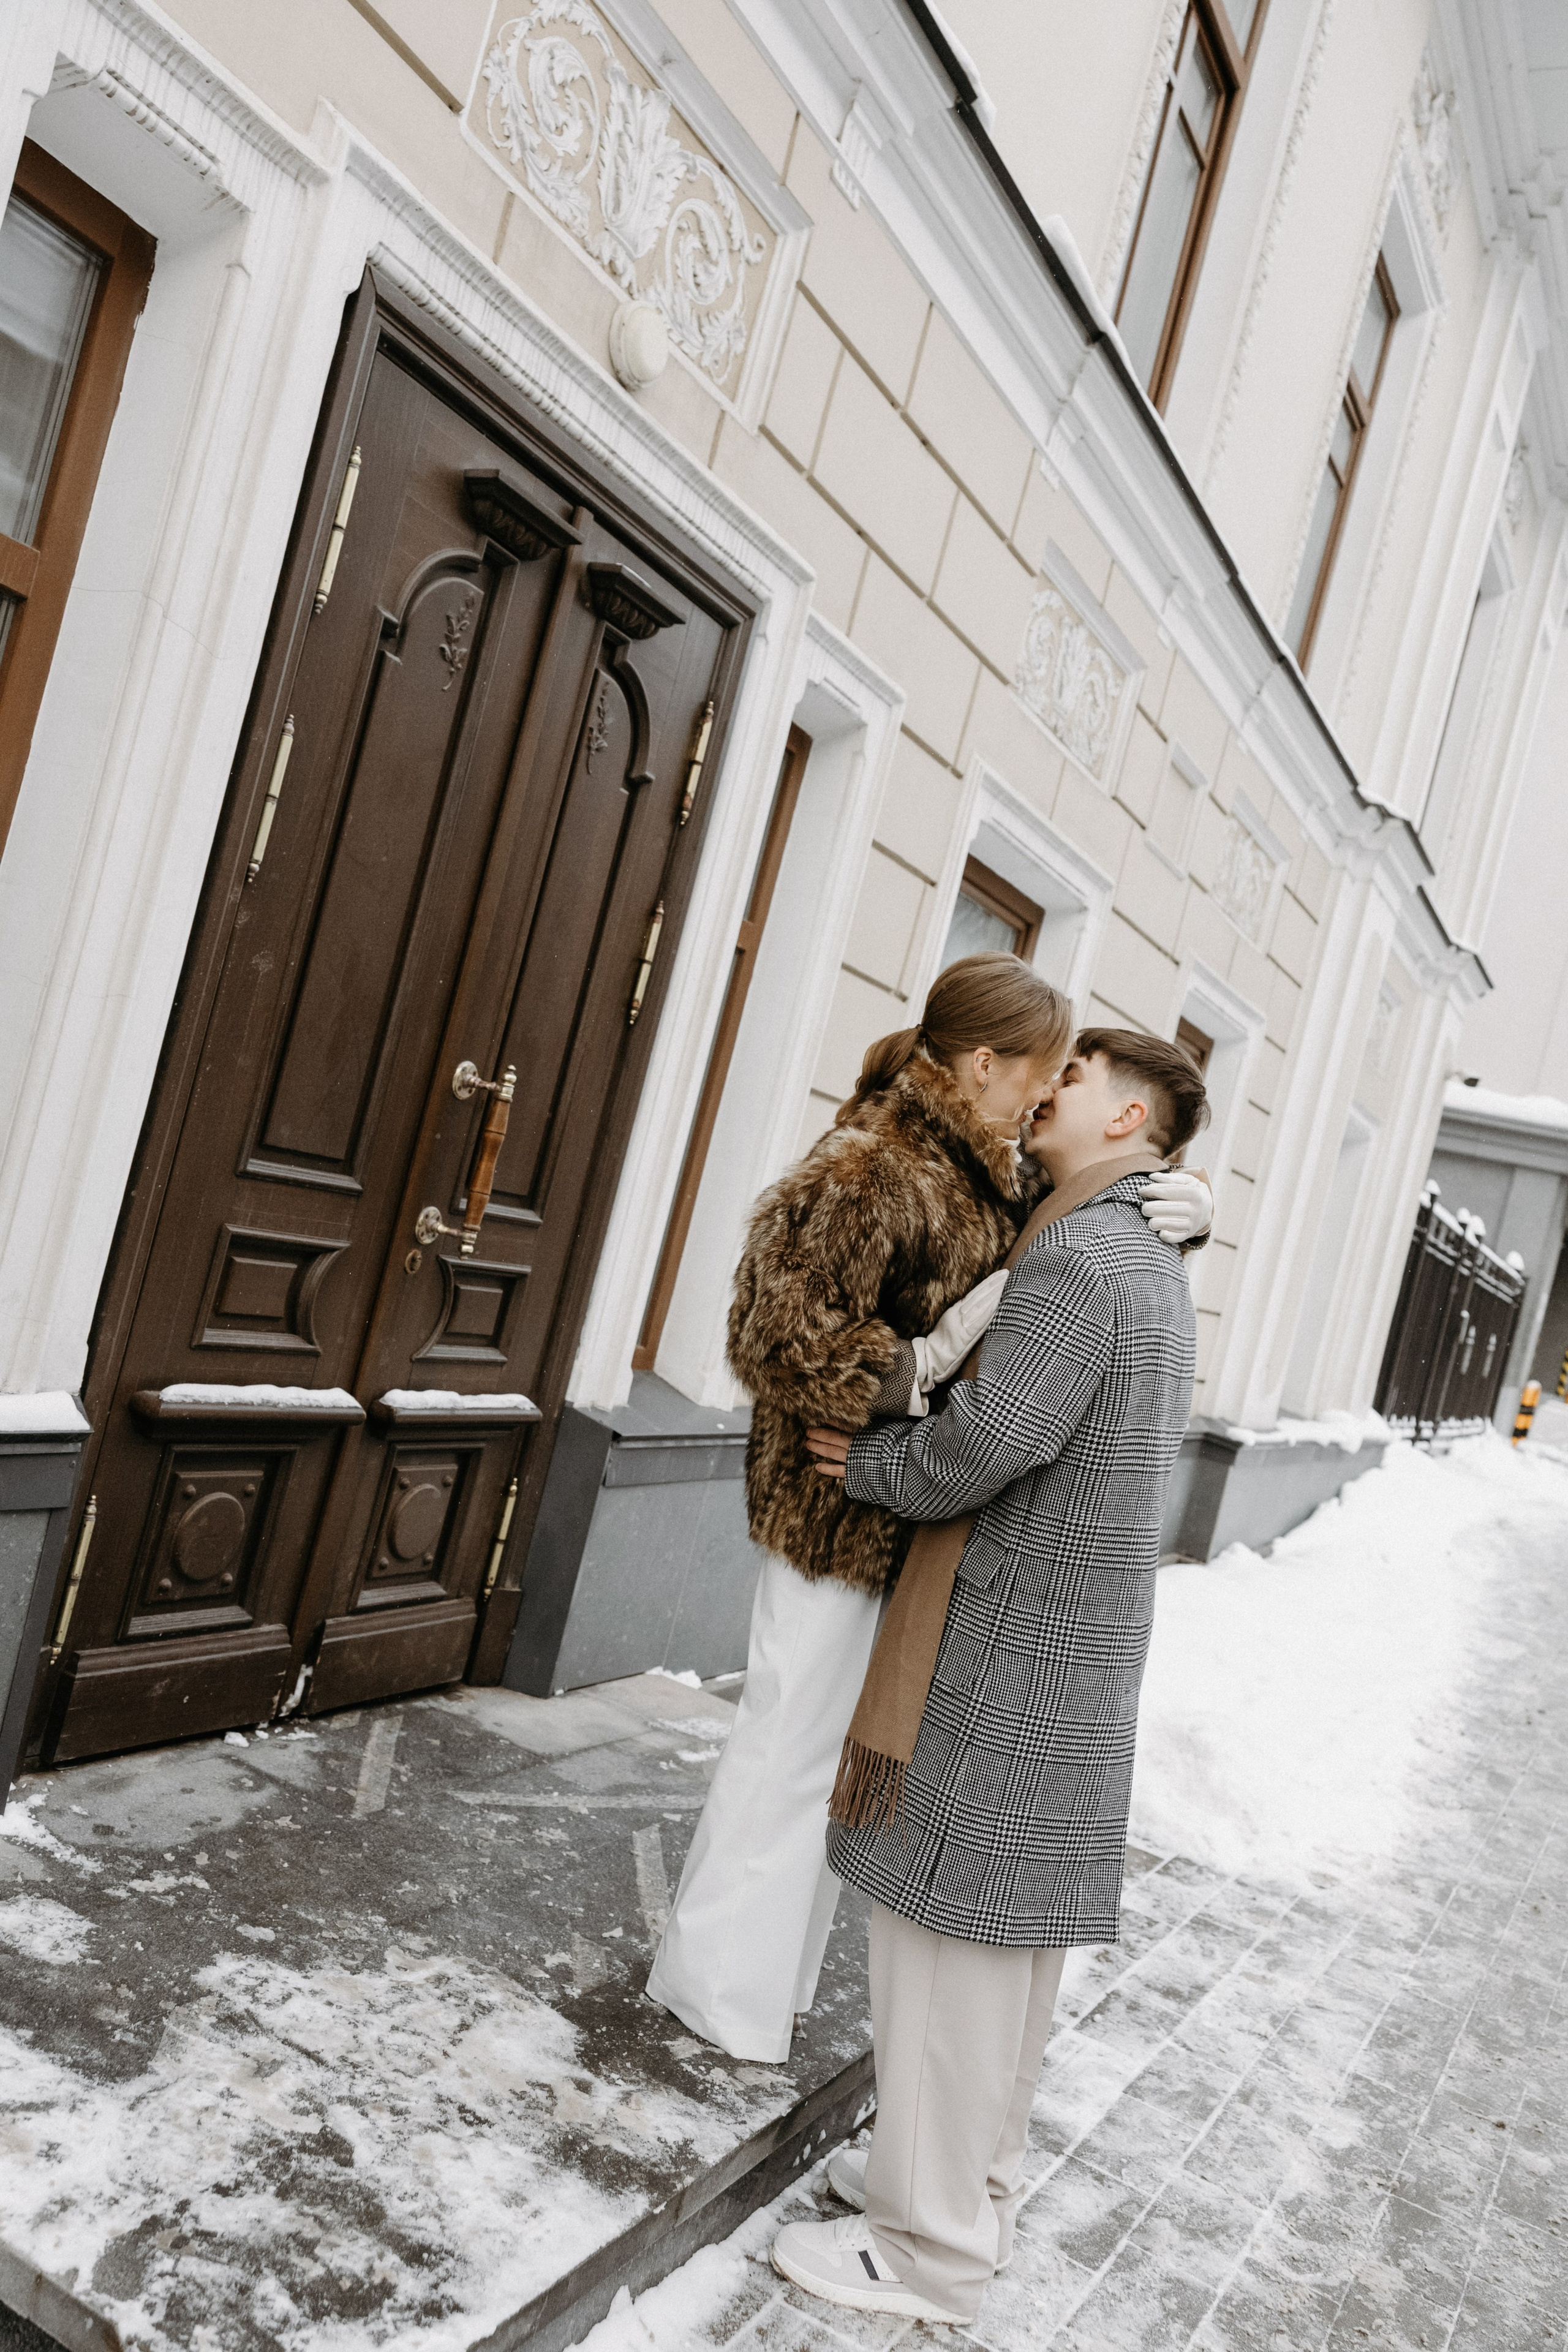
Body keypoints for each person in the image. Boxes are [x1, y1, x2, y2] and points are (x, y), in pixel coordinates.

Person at [645, 967, 1211, 2064]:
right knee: (787, 1748)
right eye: (1045, 1071)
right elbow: (778, 1337)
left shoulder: (989, 1174)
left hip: (905, 1511)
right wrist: (913, 1376)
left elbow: (1057, 1274)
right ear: (987, 1064)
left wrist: (1181, 1209)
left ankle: (767, 1991)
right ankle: (715, 1990)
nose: (1051, 1096)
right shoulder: (871, 1164)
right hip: (829, 1506)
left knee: (834, 1765)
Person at [771, 1030, 1207, 2326]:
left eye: (1071, 1079)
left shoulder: (1084, 1253)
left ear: (1127, 1120)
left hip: (1013, 1632)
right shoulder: (1133, 1242)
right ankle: (959, 2185)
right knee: (1000, 1960)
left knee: (944, 1949)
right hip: (1062, 1638)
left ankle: (929, 2253)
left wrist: (864, 1467)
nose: (1047, 1089)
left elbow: (992, 1439)